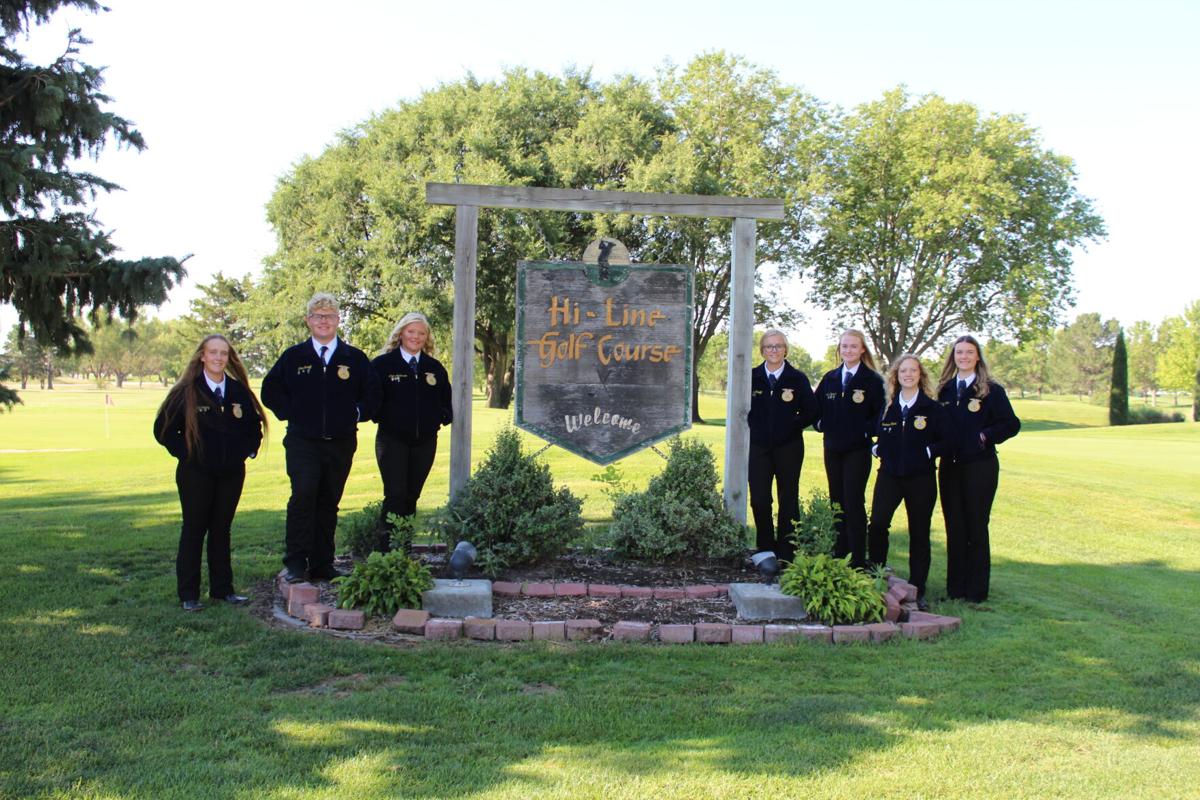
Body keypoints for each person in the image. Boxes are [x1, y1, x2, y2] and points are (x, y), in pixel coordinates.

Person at [262, 293, 382, 583]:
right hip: (303, 442)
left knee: (329, 502)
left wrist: (356, 413)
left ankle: (322, 563)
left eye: (329, 315)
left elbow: (374, 395)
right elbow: (270, 391)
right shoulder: (294, 357)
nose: (324, 321)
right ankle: (295, 562)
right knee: (303, 497)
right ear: (308, 321)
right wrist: (293, 413)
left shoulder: (353, 358)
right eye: (318, 315)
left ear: (338, 320)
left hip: (340, 443)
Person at [154, 334, 265, 611]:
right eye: (213, 353)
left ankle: (222, 590)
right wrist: (190, 455)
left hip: (230, 473)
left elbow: (254, 427)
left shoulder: (238, 391)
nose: (218, 358)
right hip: (196, 475)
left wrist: (248, 451)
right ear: (202, 356)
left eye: (223, 354)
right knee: (194, 529)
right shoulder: (188, 390)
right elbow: (163, 430)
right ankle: (189, 595)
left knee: (221, 530)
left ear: (229, 358)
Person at [935, 335, 1021, 603]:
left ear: (977, 357)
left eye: (969, 352)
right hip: (950, 467)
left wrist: (985, 436)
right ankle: (955, 589)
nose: (963, 357)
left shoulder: (991, 390)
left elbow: (1011, 424)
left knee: (976, 526)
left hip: (979, 467)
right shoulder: (945, 390)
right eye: (959, 352)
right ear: (953, 357)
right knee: (954, 526)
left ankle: (976, 592)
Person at [867, 354, 951, 610]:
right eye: (903, 371)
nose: (908, 375)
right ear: (896, 376)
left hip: (920, 478)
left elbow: (946, 441)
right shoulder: (889, 406)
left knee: (919, 531)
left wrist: (927, 452)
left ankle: (918, 587)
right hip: (890, 475)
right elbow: (877, 433)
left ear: (920, 375)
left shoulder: (932, 409)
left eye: (913, 371)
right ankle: (877, 577)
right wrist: (877, 448)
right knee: (878, 523)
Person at [370, 312, 452, 531]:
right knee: (395, 496)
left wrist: (440, 417)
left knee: (411, 496)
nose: (416, 337)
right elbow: (370, 398)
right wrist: (382, 416)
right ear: (401, 333)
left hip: (424, 442)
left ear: (427, 338)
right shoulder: (382, 365)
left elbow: (446, 401)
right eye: (411, 331)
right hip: (392, 441)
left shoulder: (434, 368)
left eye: (421, 333)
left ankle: (403, 551)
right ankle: (387, 554)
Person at [812, 329, 885, 568]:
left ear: (862, 349)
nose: (848, 350)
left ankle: (856, 557)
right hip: (832, 448)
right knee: (837, 501)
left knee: (853, 500)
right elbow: (816, 408)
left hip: (857, 450)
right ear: (839, 349)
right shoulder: (830, 378)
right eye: (844, 346)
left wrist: (867, 432)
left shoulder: (872, 381)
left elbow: (881, 414)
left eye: (853, 346)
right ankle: (839, 552)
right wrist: (820, 423)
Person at [747, 329, 818, 562]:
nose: (774, 350)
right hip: (758, 447)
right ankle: (766, 549)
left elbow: (811, 411)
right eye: (769, 346)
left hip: (789, 447)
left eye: (778, 346)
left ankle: (787, 552)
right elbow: (741, 409)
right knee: (759, 498)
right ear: (762, 350)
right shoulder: (752, 376)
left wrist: (791, 425)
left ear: (785, 349)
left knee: (788, 498)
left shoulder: (797, 378)